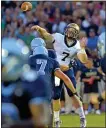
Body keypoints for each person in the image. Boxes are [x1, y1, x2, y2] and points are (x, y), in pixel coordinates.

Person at [31, 23, 88, 128]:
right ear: (66, 30)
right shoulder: (58, 37)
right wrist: (39, 29)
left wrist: (83, 48)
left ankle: (82, 117)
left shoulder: (77, 45)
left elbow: (84, 60)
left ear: (76, 33)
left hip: (67, 70)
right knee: (56, 96)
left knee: (73, 94)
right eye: (69, 30)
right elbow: (47, 35)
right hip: (57, 70)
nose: (70, 32)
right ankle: (57, 120)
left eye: (72, 31)